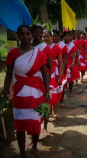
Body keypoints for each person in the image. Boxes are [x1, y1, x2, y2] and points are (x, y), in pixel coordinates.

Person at [4, 25, 50, 158]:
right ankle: (22, 152)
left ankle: (35, 146)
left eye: (27, 34)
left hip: (36, 92)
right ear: (18, 36)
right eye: (22, 34)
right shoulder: (12, 54)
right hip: (20, 93)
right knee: (20, 122)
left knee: (35, 120)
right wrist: (6, 91)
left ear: (31, 35)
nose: (25, 36)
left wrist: (47, 93)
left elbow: (45, 75)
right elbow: (8, 75)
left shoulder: (39, 54)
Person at [52, 30, 68, 108]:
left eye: (56, 36)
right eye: (53, 36)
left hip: (60, 66)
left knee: (61, 83)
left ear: (59, 37)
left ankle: (61, 100)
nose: (54, 37)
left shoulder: (62, 45)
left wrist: (63, 67)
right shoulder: (47, 45)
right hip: (52, 68)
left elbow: (65, 57)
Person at [64, 31, 79, 97]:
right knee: (64, 77)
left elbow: (73, 55)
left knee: (70, 77)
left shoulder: (72, 45)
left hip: (70, 62)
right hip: (63, 62)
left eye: (68, 36)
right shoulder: (61, 45)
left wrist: (73, 63)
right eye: (66, 36)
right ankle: (64, 88)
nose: (67, 37)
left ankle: (70, 91)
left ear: (70, 37)